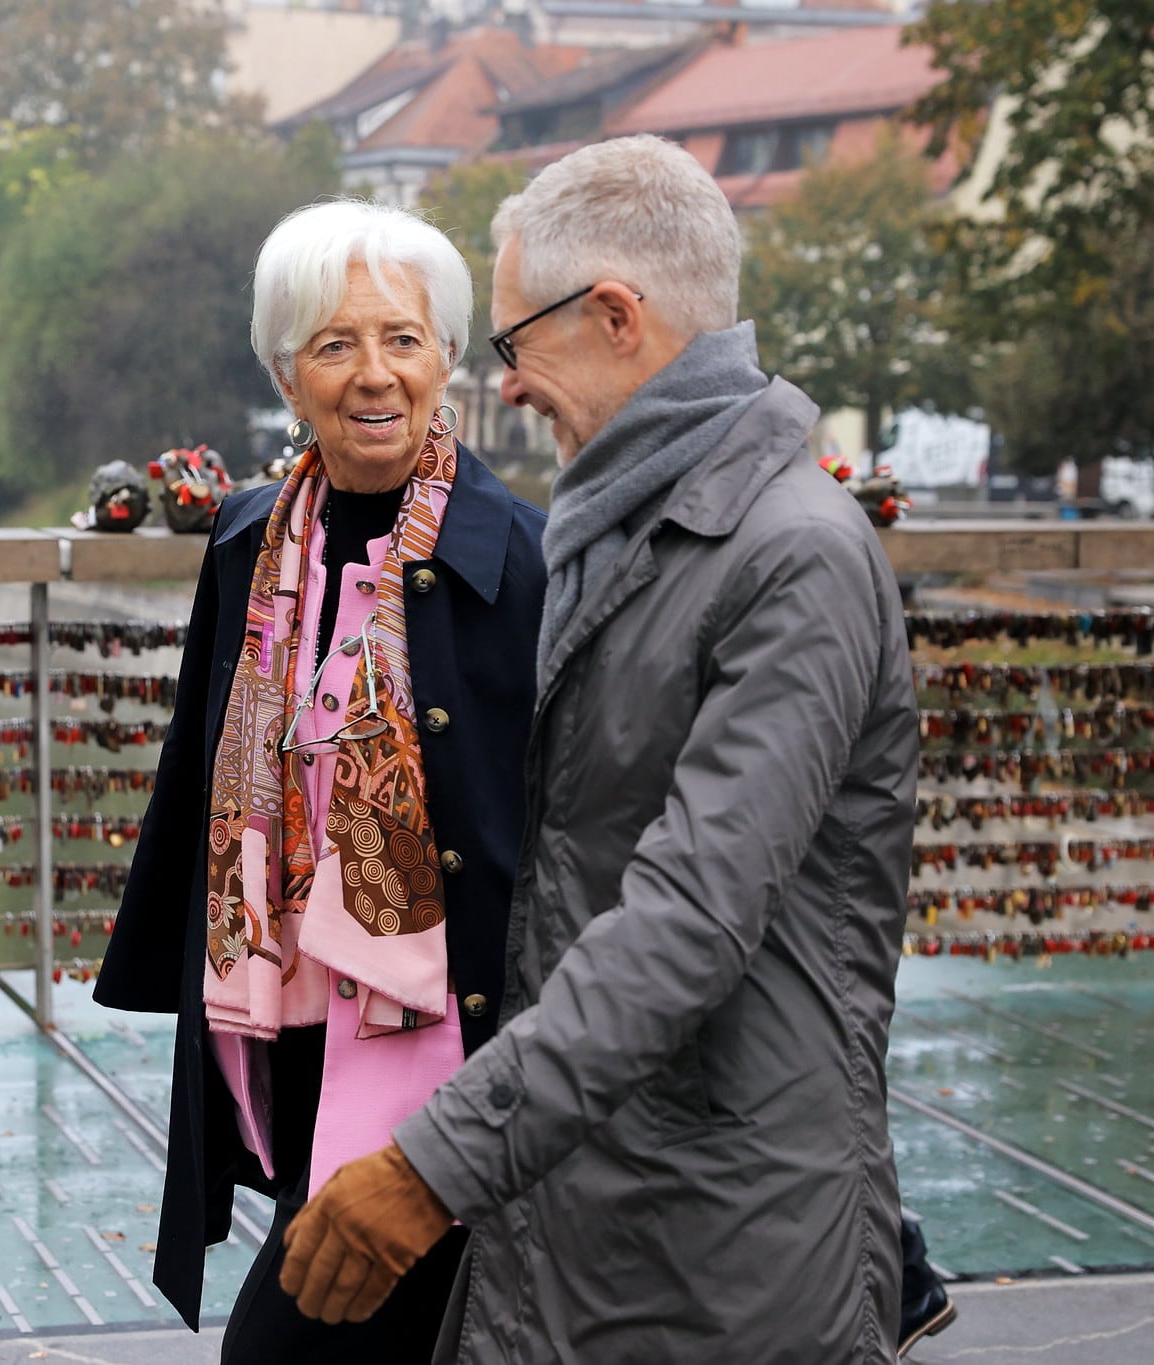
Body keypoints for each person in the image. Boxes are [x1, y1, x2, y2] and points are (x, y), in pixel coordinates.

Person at [277, 134, 941, 1362]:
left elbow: (687, 920)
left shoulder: (792, 555)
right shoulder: (625, 529)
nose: (510, 387)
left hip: (725, 1235)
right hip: (596, 1197)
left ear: (617, 316)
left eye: (516, 344)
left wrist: (432, 1167)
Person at [92, 199, 548, 1361]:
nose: (373, 374)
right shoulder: (246, 542)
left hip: (451, 1049)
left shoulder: (526, 561)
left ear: (448, 356)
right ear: (286, 376)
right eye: (333, 344)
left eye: (402, 337)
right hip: (284, 1015)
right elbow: (202, 777)